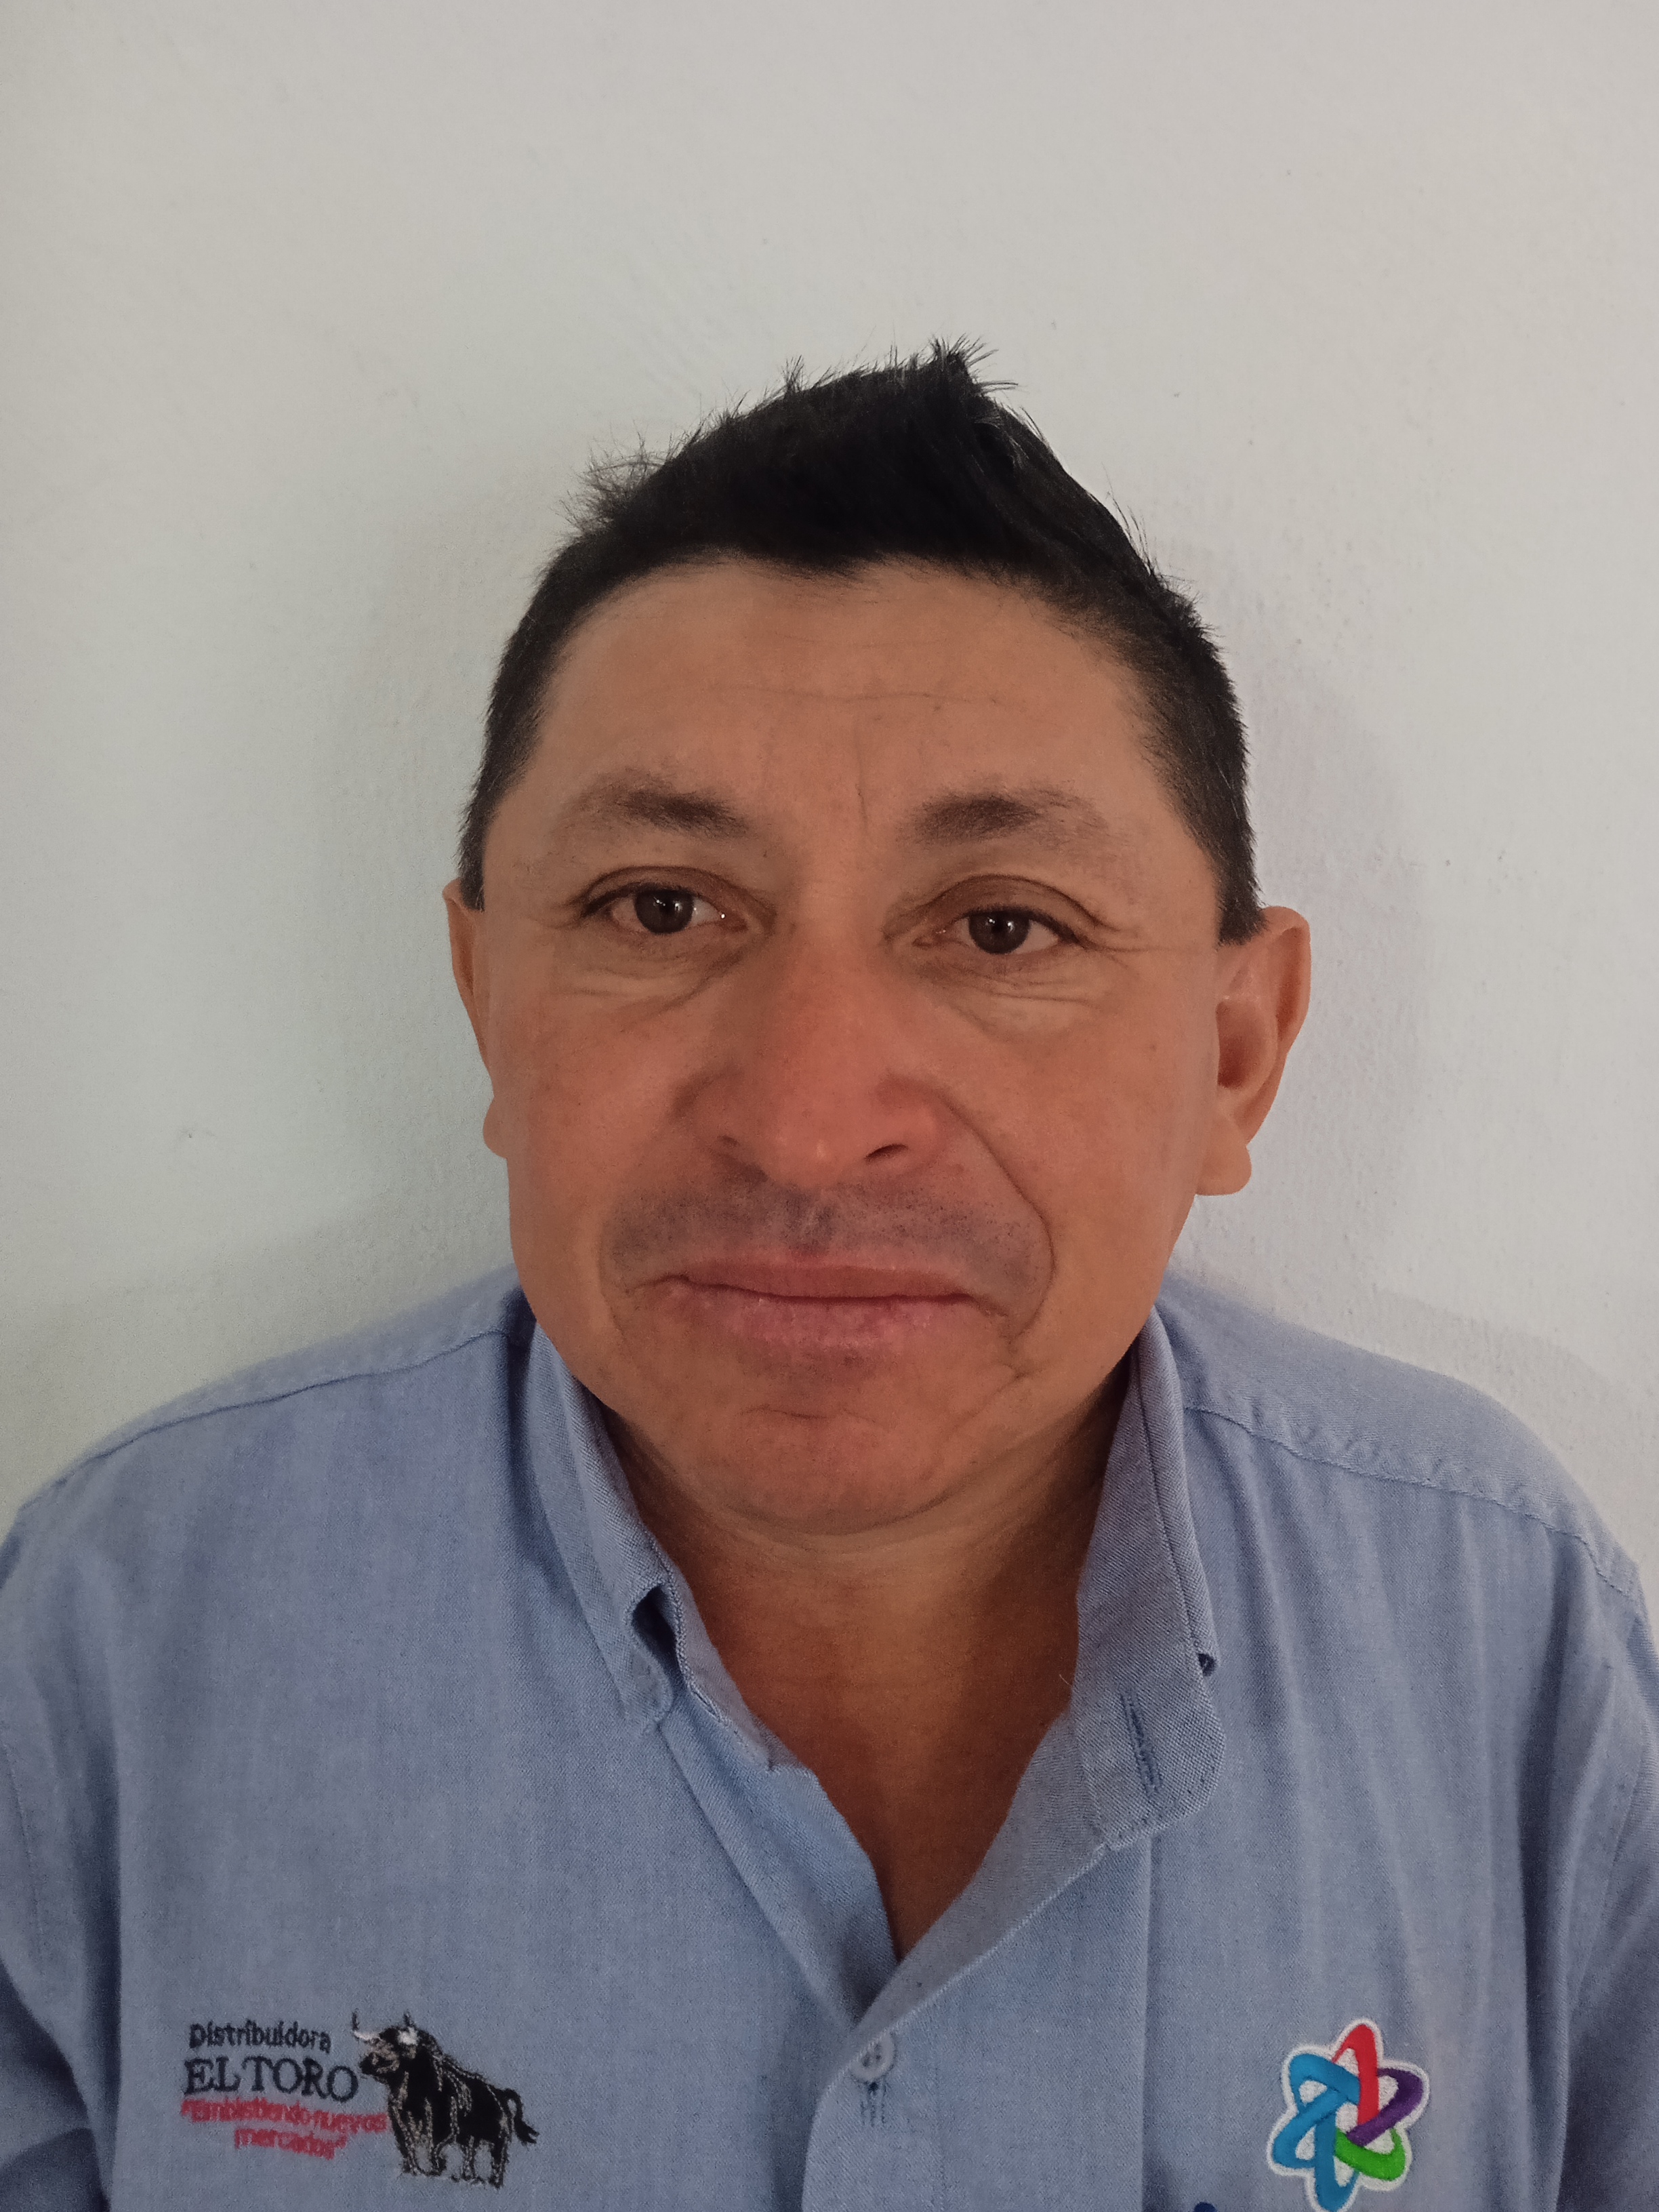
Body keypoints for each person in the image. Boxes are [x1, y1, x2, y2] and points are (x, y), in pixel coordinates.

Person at [1, 344, 1652, 2212]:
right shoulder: (120, 1648)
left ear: (1234, 1055)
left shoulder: (1504, 1636)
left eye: (1003, 927)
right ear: (486, 999)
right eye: (660, 908)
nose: (803, 1125)